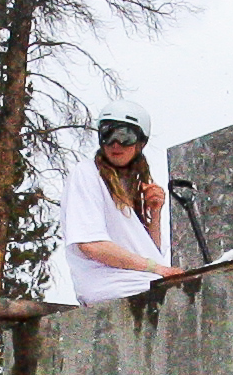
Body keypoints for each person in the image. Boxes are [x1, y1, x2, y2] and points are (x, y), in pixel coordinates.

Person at [59, 111, 171, 306]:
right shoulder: (86, 173)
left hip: (141, 283)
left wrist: (155, 212)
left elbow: (148, 251)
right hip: (117, 288)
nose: (115, 144)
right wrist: (156, 269)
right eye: (107, 134)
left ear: (141, 142)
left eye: (124, 136)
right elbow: (91, 245)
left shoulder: (133, 185)